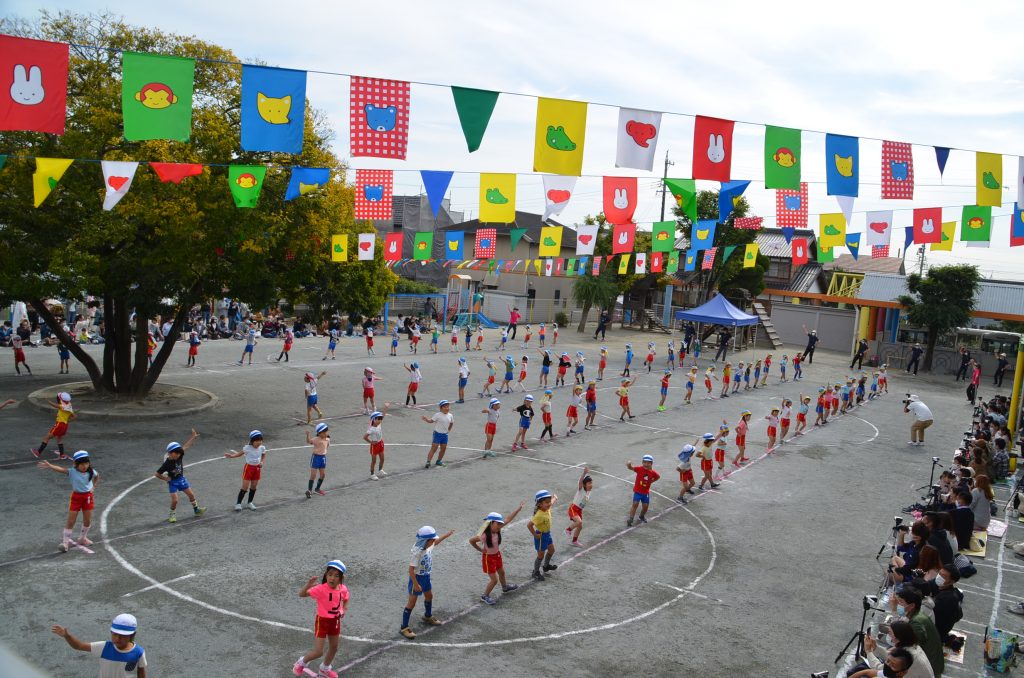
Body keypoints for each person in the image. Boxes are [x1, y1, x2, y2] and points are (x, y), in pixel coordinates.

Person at [294, 560, 349, 678]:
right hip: (322, 621)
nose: (332, 578)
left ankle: (324, 669)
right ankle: (301, 662)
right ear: (326, 575)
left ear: (341, 577)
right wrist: (308, 585)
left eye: (336, 575)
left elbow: (346, 598)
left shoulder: (342, 589)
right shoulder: (320, 589)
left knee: (334, 648)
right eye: (330, 575)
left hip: (335, 621)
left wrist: (344, 609)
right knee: (318, 652)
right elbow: (301, 594)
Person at [400, 525, 455, 639]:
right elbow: (411, 570)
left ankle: (427, 616)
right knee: (412, 603)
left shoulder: (427, 546)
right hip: (417, 579)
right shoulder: (417, 552)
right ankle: (404, 627)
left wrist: (446, 535)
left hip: (426, 577)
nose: (434, 541)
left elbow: (437, 542)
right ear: (426, 541)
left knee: (429, 596)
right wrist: (415, 584)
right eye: (432, 540)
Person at [37, 449, 98, 551]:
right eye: (82, 464)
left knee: (87, 520)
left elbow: (97, 476)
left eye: (86, 463)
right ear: (75, 464)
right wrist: (50, 466)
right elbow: (61, 469)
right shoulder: (72, 472)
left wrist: (93, 487)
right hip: (76, 498)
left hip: (88, 497)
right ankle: (65, 543)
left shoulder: (91, 471)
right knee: (71, 521)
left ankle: (82, 538)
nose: (85, 466)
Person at [52, 613, 147, 678]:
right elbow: (79, 646)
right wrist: (67, 636)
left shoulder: (138, 652)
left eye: (122, 636)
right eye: (114, 634)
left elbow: (141, 670)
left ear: (132, 635)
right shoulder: (103, 647)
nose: (117, 638)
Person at [469, 505, 523, 605]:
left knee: (502, 572)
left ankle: (505, 588)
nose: (499, 526)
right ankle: (485, 596)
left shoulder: (497, 529)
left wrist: (518, 510)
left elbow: (508, 519)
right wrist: (481, 550)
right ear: (490, 523)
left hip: (497, 555)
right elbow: (471, 541)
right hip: (488, 558)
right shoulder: (484, 536)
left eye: (500, 524)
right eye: (498, 524)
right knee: (494, 580)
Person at [154, 430, 206, 523]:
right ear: (170, 453)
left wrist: (193, 437)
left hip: (181, 479)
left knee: (191, 495)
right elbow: (157, 474)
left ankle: (196, 510)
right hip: (172, 482)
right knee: (175, 500)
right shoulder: (166, 464)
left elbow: (186, 446)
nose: (178, 455)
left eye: (179, 453)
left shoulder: (179, 455)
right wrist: (166, 478)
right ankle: (172, 514)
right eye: (176, 453)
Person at [894, 586, 944, 677]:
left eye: (901, 602)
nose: (898, 604)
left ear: (912, 605)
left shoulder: (916, 623)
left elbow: (908, 648)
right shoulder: (916, 615)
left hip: (929, 667)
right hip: (931, 662)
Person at [855, 622, 931, 678]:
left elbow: (884, 670)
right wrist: (875, 647)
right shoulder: (911, 644)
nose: (889, 635)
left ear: (898, 638)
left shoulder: (911, 655)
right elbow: (891, 656)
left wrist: (868, 651)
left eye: (890, 633)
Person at [918, 563, 964, 643]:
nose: (939, 577)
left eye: (943, 576)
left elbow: (928, 613)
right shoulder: (938, 584)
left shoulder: (949, 598)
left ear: (951, 581)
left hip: (936, 632)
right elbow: (925, 586)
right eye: (939, 573)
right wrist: (919, 578)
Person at [224, 430, 266, 511]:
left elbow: (264, 454)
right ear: (252, 441)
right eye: (257, 441)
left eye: (260, 440)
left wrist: (262, 462)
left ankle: (250, 502)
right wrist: (231, 456)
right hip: (248, 468)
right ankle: (238, 504)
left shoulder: (262, 448)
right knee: (245, 487)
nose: (259, 442)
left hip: (257, 469)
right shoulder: (247, 448)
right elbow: (240, 454)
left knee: (254, 487)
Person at [32, 391, 76, 459]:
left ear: (61, 399)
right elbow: (74, 416)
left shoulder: (61, 406)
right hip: (65, 425)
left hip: (59, 425)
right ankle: (62, 455)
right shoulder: (69, 405)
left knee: (46, 438)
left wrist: (47, 400)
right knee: (59, 439)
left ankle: (38, 452)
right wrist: (67, 420)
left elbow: (55, 405)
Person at [527, 489, 558, 580]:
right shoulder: (539, 515)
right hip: (541, 536)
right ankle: (535, 572)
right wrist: (535, 535)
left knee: (551, 550)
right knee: (540, 555)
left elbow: (551, 502)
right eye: (546, 502)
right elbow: (529, 525)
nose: (549, 504)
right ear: (539, 504)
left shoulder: (546, 508)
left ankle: (546, 566)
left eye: (549, 502)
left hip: (547, 534)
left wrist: (554, 498)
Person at [627, 455, 660, 526]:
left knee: (645, 506)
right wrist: (629, 464)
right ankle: (631, 518)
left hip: (645, 493)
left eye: (648, 463)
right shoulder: (639, 469)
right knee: (635, 504)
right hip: (638, 492)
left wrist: (652, 481)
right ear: (642, 462)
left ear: (651, 463)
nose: (646, 464)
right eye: (644, 462)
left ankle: (641, 516)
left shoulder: (652, 472)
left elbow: (658, 477)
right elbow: (630, 468)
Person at [565, 467, 592, 547]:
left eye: (591, 483)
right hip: (573, 509)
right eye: (589, 483)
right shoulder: (581, 489)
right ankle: (568, 530)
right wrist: (584, 473)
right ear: (584, 485)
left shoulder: (589, 492)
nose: (591, 485)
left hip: (579, 510)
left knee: (580, 527)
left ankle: (574, 541)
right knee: (579, 522)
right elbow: (580, 482)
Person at [422, 400, 454, 468]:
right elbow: (431, 421)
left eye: (448, 406)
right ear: (441, 408)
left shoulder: (450, 415)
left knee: (443, 449)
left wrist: (448, 430)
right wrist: (426, 419)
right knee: (434, 448)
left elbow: (451, 423)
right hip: (437, 434)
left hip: (445, 435)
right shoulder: (437, 415)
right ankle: (428, 462)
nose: (447, 408)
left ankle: (439, 461)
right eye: (445, 407)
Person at [363, 409, 390, 480]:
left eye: (381, 419)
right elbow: (365, 437)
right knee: (374, 461)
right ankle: (372, 474)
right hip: (374, 446)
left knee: (382, 458)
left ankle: (380, 470)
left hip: (380, 443)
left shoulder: (379, 424)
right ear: (374, 419)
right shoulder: (371, 429)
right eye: (379, 419)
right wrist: (371, 442)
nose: (380, 420)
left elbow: (383, 415)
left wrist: (385, 407)